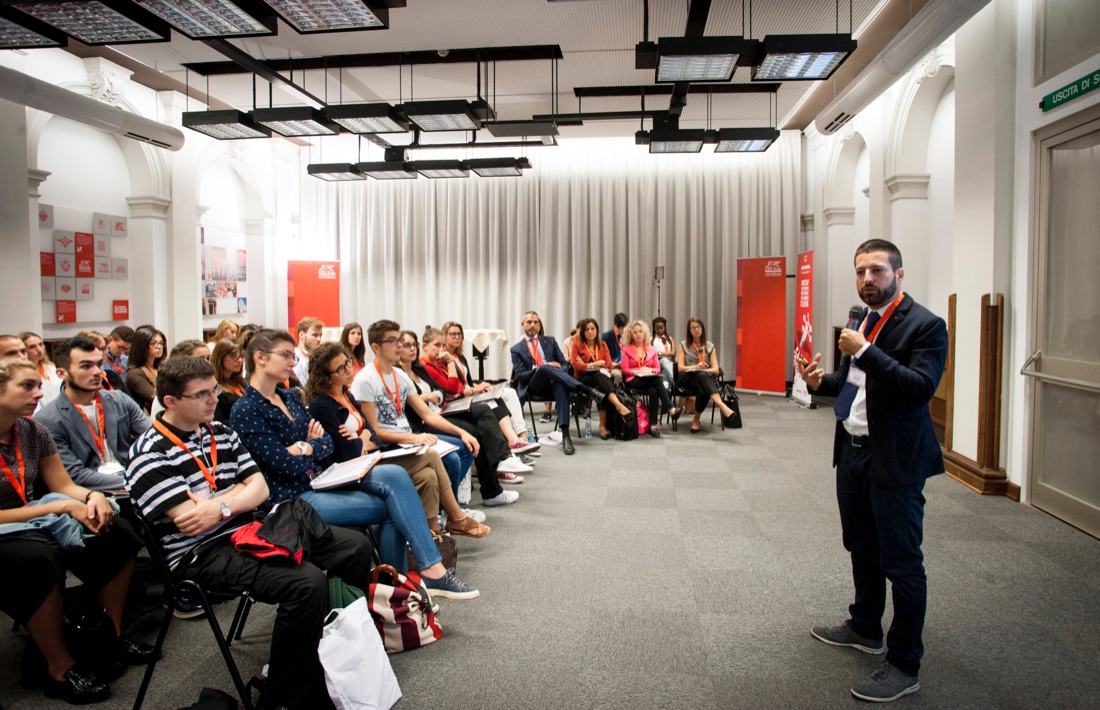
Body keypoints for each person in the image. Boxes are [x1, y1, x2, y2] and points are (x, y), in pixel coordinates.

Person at [125, 355, 373, 710]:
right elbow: (193, 520)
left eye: (214, 390)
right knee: (306, 584)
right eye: (202, 395)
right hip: (200, 553)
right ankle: (285, 695)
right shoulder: (148, 453)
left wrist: (221, 503)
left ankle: (340, 647)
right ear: (171, 402)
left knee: (355, 546)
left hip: (248, 528)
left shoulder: (221, 432)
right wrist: (232, 496)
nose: (214, 399)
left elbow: (259, 489)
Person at [795, 239, 948, 703]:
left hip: (895, 457)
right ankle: (865, 625)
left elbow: (918, 388)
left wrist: (865, 351)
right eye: (861, 271)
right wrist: (821, 382)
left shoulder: (926, 326)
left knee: (901, 561)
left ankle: (904, 663)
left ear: (899, 274)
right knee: (860, 543)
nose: (867, 280)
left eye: (877, 271)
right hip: (854, 452)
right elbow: (853, 386)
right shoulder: (862, 320)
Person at [230, 329, 477, 599]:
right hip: (292, 500)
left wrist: (306, 447)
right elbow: (284, 466)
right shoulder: (246, 409)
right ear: (260, 358)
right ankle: (404, 585)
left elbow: (327, 445)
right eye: (286, 355)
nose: (293, 361)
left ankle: (419, 576)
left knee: (395, 476)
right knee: (394, 506)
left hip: (323, 477)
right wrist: (310, 445)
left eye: (293, 355)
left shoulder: (289, 397)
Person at [0, 356, 152, 705]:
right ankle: (59, 668)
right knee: (39, 560)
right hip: (10, 530)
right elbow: (57, 501)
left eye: (38, 385)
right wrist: (63, 505)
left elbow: (63, 484)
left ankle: (108, 637)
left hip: (34, 519)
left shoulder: (31, 430)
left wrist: (92, 496)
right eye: (27, 386)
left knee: (118, 533)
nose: (39, 393)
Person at [304, 342, 488, 537]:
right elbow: (346, 451)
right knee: (431, 456)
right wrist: (363, 439)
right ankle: (457, 517)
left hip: (368, 457)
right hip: (350, 470)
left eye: (348, 362)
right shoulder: (322, 405)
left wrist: (361, 438)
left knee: (429, 477)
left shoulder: (346, 395)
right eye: (341, 368)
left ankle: (433, 536)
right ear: (326, 377)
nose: (349, 368)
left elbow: (371, 434)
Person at [352, 321, 485, 504]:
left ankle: (444, 508)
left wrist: (462, 432)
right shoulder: (365, 380)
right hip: (388, 446)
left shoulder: (400, 376)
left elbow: (428, 415)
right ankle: (451, 510)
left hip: (408, 440)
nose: (399, 345)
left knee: (464, 447)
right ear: (376, 347)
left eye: (399, 339)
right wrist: (414, 438)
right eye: (392, 341)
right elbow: (374, 431)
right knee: (451, 459)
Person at [413, 327, 533, 491]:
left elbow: (446, 389)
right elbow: (452, 389)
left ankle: (512, 447)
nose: (441, 350)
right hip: (445, 408)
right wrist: (450, 365)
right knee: (483, 416)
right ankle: (503, 461)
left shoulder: (443, 361)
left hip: (450, 403)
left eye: (442, 345)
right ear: (425, 346)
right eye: (437, 345)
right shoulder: (429, 365)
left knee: (494, 403)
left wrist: (442, 392)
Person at [35, 336, 151, 492]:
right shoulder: (47, 420)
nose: (98, 372)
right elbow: (75, 475)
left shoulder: (119, 400)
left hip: (133, 480)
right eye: (86, 366)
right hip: (93, 493)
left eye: (99, 364)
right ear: (62, 373)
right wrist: (136, 481)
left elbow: (152, 439)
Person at [510, 311, 604, 456]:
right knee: (545, 367)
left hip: (554, 382)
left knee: (561, 386)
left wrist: (557, 371)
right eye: (529, 322)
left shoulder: (550, 341)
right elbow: (521, 376)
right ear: (523, 325)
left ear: (539, 324)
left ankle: (566, 436)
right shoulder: (516, 349)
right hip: (534, 385)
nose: (532, 325)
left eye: (535, 322)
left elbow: (564, 364)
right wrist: (543, 367)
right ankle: (586, 389)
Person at [441, 320, 534, 446]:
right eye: (453, 334)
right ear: (444, 336)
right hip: (461, 399)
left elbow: (466, 382)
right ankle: (514, 441)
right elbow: (454, 389)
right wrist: (476, 389)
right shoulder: (444, 359)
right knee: (495, 401)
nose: (457, 337)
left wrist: (480, 386)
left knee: (510, 392)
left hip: (470, 392)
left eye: (459, 334)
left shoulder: (459, 356)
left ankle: (522, 437)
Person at [570, 318, 634, 439]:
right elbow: (577, 367)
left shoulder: (603, 345)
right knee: (600, 376)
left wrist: (589, 365)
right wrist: (595, 364)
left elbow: (608, 365)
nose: (590, 332)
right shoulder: (577, 346)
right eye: (587, 329)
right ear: (583, 332)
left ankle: (603, 425)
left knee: (601, 384)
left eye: (593, 329)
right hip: (583, 380)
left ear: (597, 330)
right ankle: (619, 406)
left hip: (600, 380)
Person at [676, 318, 737, 433]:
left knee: (703, 386)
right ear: (689, 330)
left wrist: (704, 368)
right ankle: (722, 406)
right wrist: (694, 367)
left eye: (698, 327)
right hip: (687, 378)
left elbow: (716, 370)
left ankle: (696, 418)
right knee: (700, 376)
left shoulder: (710, 346)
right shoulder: (683, 345)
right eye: (693, 327)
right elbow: (680, 368)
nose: (696, 330)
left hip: (704, 378)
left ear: (702, 329)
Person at [620, 320, 680, 437]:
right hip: (633, 380)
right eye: (635, 332)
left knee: (653, 390)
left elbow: (657, 369)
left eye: (640, 331)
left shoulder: (651, 349)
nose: (638, 334)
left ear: (645, 333)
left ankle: (652, 425)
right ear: (631, 335)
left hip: (649, 378)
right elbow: (624, 370)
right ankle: (671, 409)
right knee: (657, 381)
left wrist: (650, 370)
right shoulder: (626, 350)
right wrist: (637, 371)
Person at [124, 326, 166, 414]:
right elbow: (155, 397)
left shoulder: (161, 367)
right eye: (153, 343)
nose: (159, 347)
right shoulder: (134, 374)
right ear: (142, 346)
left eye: (161, 343)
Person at [19, 331, 63, 411]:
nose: (39, 349)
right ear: (23, 351)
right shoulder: (21, 373)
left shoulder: (52, 368)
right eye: (32, 347)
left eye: (40, 344)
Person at [210, 338, 246, 425]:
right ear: (220, 357)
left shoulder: (242, 383)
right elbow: (217, 421)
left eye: (241, 356)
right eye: (233, 355)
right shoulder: (213, 387)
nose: (239, 360)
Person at [292, 317, 324, 386]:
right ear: (301, 335)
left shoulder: (318, 357)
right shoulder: (294, 356)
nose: (319, 339)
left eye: (320, 335)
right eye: (314, 335)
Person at [600, 312, 628, 385]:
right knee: (618, 375)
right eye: (619, 328)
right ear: (614, 324)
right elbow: (602, 355)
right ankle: (617, 393)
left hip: (626, 364)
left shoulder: (629, 336)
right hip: (613, 365)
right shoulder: (606, 336)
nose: (622, 330)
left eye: (624, 328)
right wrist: (611, 363)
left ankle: (633, 395)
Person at [652, 316, 676, 391]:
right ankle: (674, 381)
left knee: (665, 379)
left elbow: (673, 353)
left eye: (661, 328)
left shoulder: (670, 339)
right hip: (657, 362)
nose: (659, 330)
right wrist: (665, 354)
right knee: (664, 360)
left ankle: (667, 390)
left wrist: (659, 353)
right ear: (654, 328)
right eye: (657, 328)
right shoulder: (651, 340)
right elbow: (651, 354)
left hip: (669, 363)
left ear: (665, 327)